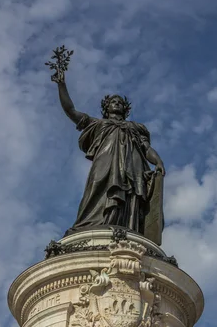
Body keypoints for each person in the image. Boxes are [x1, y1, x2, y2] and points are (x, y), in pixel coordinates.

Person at [54, 70, 165, 236]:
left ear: (125, 109)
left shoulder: (134, 127)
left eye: (120, 102)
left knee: (131, 196)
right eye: (113, 101)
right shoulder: (98, 124)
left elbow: (146, 149)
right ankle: (90, 225)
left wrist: (158, 162)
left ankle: (127, 229)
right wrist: (61, 85)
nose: (117, 103)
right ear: (107, 107)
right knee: (97, 187)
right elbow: (71, 111)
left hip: (133, 167)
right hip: (105, 163)